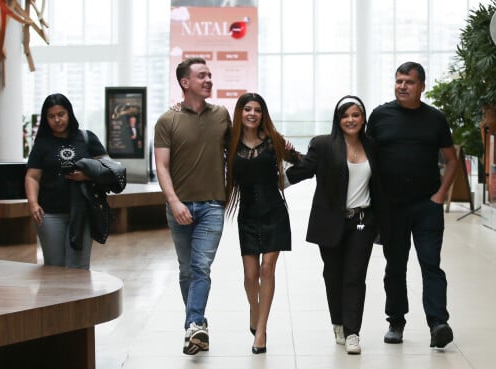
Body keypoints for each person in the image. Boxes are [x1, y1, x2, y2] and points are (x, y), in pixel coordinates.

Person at [285, 95, 390, 355]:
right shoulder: (323, 145)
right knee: (333, 276)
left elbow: (381, 185)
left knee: (355, 277)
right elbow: (304, 170)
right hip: (330, 222)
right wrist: (275, 174)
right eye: (345, 115)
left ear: (363, 118)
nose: (351, 120)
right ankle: (339, 324)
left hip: (362, 222)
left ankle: (353, 331)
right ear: (338, 119)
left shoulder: (373, 146)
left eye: (356, 114)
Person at [366, 61, 457, 348]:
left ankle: (438, 323)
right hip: (392, 207)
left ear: (422, 86)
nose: (402, 86)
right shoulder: (380, 116)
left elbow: (451, 160)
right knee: (395, 266)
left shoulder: (435, 119)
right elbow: (366, 158)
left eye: (409, 82)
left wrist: (441, 194)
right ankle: (396, 321)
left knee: (431, 264)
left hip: (426, 206)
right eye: (399, 81)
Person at [154, 57, 231, 356]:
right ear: (185, 83)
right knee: (187, 270)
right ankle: (196, 324)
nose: (209, 79)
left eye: (210, 75)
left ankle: (194, 323)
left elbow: (242, 145)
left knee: (201, 266)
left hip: (212, 204)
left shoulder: (222, 115)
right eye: (202, 76)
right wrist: (174, 202)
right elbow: (161, 166)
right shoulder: (167, 121)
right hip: (180, 207)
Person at [225, 92, 301, 354]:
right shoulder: (229, 143)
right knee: (250, 275)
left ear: (262, 114)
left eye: (257, 110)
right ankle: (254, 311)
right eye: (247, 109)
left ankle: (261, 330)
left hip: (274, 213)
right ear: (240, 112)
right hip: (246, 216)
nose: (252, 114)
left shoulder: (273, 142)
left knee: (267, 270)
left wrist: (288, 176)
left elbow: (302, 162)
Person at [25, 93, 108, 270]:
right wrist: (32, 203)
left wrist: (88, 175)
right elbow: (32, 177)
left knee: (79, 266)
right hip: (50, 215)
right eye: (51, 116)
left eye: (61, 114)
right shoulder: (42, 144)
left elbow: (108, 167)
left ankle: (81, 298)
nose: (57, 120)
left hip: (83, 212)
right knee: (54, 266)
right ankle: (55, 299)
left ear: (69, 113)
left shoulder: (86, 138)